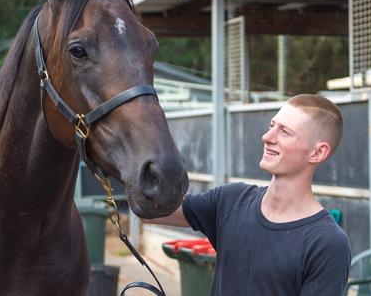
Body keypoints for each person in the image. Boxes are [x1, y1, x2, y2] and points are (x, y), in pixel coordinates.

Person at [143, 94, 351, 295]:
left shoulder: (327, 243)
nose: (267, 137)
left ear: (317, 153)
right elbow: (148, 211)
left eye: (285, 132)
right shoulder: (231, 201)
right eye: (272, 126)